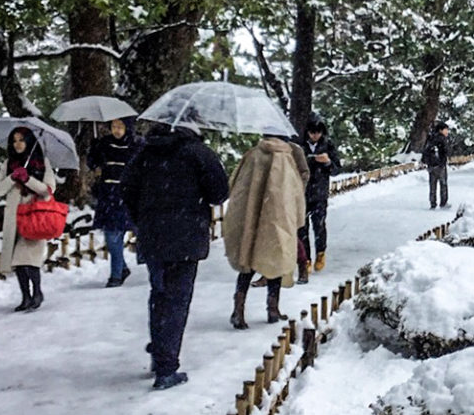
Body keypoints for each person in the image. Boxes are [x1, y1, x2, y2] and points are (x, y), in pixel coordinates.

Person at [122, 121, 229, 390]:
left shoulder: (145, 153)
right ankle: (167, 367)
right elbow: (219, 194)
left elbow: (127, 188)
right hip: (186, 237)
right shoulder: (198, 153)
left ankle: (159, 354)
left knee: (158, 294)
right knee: (177, 299)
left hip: (153, 235)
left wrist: (143, 219)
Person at [223, 135, 309, 329]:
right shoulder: (286, 158)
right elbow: (295, 191)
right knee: (275, 260)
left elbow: (236, 183)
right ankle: (272, 308)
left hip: (252, 218)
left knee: (249, 261)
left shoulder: (253, 154)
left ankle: (238, 309)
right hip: (277, 218)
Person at [0, 127, 57, 312]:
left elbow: (48, 189)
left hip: (35, 214)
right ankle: (26, 296)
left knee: (29, 258)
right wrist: (13, 177)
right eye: (14, 141)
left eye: (21, 140)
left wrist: (28, 179)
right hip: (14, 216)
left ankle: (37, 292)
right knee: (17, 260)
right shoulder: (8, 164)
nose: (18, 144)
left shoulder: (42, 163)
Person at [87, 118, 141, 288]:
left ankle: (156, 270)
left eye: (120, 126)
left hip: (128, 196)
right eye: (113, 127)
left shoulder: (137, 145)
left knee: (134, 233)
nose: (116, 130)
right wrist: (93, 149)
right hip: (109, 196)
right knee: (112, 236)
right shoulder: (103, 144)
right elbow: (92, 164)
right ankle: (117, 273)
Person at [299, 113, 340, 272]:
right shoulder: (300, 146)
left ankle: (320, 252)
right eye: (312, 132)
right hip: (302, 192)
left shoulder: (328, 145)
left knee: (319, 224)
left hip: (320, 193)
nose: (315, 135)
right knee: (301, 228)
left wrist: (327, 162)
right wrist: (309, 160)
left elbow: (336, 169)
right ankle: (306, 259)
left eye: (318, 132)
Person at [422, 121, 451, 209]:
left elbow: (425, 150)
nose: (447, 132)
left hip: (431, 165)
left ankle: (433, 202)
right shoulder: (441, 139)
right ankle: (443, 202)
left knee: (432, 185)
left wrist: (426, 162)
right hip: (440, 165)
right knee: (443, 184)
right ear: (441, 130)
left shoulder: (430, 138)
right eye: (446, 130)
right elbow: (446, 151)